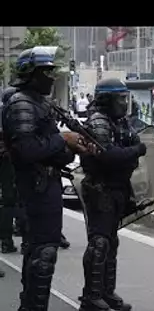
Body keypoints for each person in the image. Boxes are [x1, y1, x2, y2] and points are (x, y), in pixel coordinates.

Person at [2, 46, 89, 311]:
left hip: (47, 184)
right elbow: (27, 150)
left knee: (42, 250)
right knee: (42, 253)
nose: (52, 77)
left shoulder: (39, 102)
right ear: (31, 74)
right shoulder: (22, 103)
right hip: (36, 187)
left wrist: (67, 148)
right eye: (46, 71)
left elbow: (48, 148)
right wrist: (62, 140)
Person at [77, 78, 148, 311]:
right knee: (99, 242)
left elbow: (130, 143)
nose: (124, 103)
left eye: (125, 98)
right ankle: (91, 296)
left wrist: (131, 149)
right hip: (101, 187)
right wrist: (135, 150)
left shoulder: (119, 121)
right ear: (107, 100)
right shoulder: (99, 121)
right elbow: (108, 156)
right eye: (120, 98)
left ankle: (106, 292)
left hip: (118, 187)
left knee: (111, 243)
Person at [0, 87, 18, 254]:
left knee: (8, 200)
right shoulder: (12, 115)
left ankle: (6, 239)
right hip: (9, 161)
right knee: (12, 199)